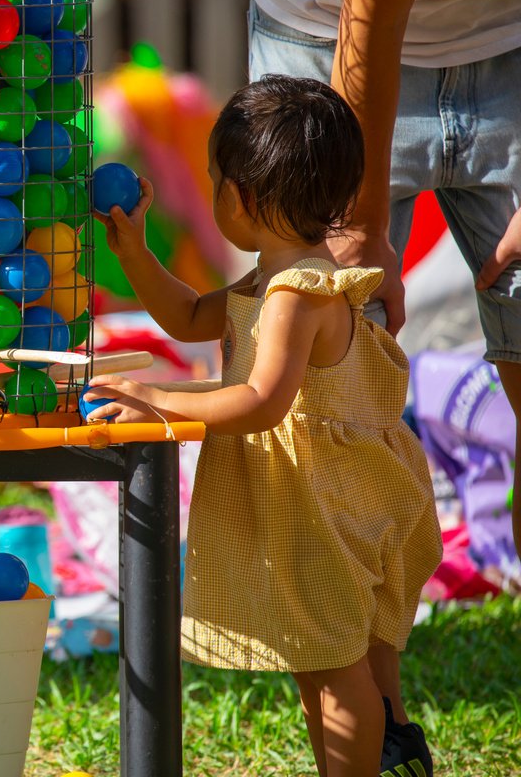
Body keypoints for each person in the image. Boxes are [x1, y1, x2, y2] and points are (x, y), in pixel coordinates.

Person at [85, 75, 442, 777]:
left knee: (335, 675)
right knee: (332, 664)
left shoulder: (296, 294)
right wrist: (134, 251)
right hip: (323, 502)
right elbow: (190, 318)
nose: (213, 188)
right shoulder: (270, 281)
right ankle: (393, 752)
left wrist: (157, 398)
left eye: (217, 178)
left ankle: (376, 759)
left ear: (244, 198)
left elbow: (260, 401)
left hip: (324, 510)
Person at [247, 0, 521, 579]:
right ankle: (360, 683)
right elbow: (372, 13)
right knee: (324, 430)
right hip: (327, 28)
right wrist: (356, 218)